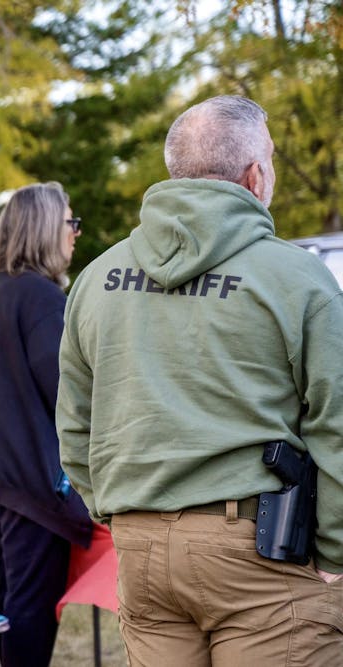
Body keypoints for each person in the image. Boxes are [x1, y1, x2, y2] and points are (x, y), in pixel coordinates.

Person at [57, 95, 343, 666]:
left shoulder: (94, 280)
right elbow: (336, 423)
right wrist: (335, 550)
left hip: (140, 546)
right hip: (264, 558)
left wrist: (119, 511)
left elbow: (74, 424)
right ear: (255, 175)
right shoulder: (297, 278)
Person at [0, 182, 92, 667]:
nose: (75, 234)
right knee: (28, 611)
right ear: (47, 229)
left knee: (2, 601)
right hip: (28, 480)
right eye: (70, 222)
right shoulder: (39, 296)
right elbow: (70, 398)